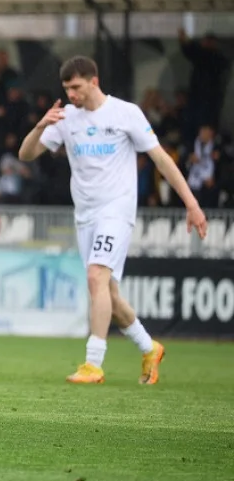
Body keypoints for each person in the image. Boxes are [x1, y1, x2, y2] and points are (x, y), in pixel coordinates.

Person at [18, 55, 207, 385]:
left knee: (96, 276)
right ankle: (150, 348)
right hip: (85, 216)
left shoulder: (125, 113)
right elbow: (26, 155)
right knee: (110, 297)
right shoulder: (66, 118)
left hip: (116, 211)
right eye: (66, 88)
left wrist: (191, 204)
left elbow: (161, 159)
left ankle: (93, 364)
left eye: (76, 87)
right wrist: (39, 126)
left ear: (94, 81)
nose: (71, 94)